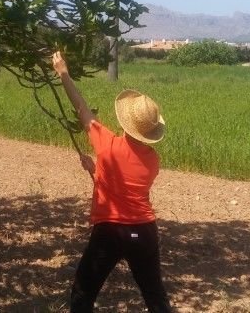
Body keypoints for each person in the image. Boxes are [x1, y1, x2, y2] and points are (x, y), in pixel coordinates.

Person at [51, 51, 172, 313]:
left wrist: (63, 72)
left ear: (126, 123)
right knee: (154, 294)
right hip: (144, 231)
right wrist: (96, 171)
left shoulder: (107, 144)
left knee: (84, 291)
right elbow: (127, 189)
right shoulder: (153, 159)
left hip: (110, 231)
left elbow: (81, 108)